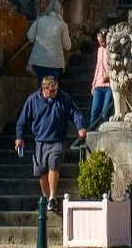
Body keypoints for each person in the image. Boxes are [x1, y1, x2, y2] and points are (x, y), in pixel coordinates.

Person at [14, 69, 85, 214]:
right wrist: (20, 138)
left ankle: (52, 196)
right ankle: (47, 199)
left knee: (54, 163)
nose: (54, 93)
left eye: (56, 90)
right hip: (40, 140)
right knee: (41, 171)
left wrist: (80, 127)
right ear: (44, 89)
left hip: (57, 140)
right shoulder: (33, 100)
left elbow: (75, 113)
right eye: (51, 91)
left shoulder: (63, 98)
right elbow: (22, 121)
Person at [27, 0, 71, 81]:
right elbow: (67, 46)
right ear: (61, 10)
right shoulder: (62, 24)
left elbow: (30, 37)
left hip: (39, 61)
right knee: (52, 87)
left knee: (42, 85)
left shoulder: (39, 20)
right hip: (55, 62)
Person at [88, 30, 114, 127]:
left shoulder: (112, 50)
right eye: (99, 41)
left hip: (109, 85)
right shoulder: (99, 50)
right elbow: (98, 66)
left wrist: (109, 76)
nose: (102, 43)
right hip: (99, 84)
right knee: (95, 111)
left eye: (103, 41)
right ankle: (92, 131)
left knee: (106, 111)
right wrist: (94, 83)